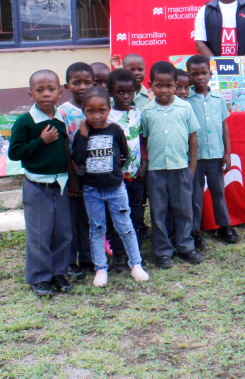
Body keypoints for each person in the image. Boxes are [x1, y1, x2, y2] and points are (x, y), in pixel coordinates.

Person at [72, 87, 149, 287]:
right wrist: (82, 134)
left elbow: (123, 154)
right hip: (92, 191)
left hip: (116, 188)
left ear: (108, 109)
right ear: (83, 110)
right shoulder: (83, 133)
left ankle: (136, 264)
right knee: (97, 228)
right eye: (91, 111)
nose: (96, 116)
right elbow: (78, 160)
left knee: (126, 226)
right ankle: (100, 269)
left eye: (102, 110)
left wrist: (114, 173)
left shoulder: (115, 129)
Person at [8, 70, 76, 297]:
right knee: (40, 234)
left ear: (60, 92)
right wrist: (41, 141)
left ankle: (58, 273)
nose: (46, 94)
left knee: (62, 232)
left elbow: (65, 149)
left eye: (51, 89)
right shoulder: (25, 122)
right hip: (37, 187)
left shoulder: (60, 118)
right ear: (31, 94)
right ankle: (40, 278)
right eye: (40, 90)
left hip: (61, 185)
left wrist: (72, 175)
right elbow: (15, 153)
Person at [142, 61, 201, 268]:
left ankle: (185, 246)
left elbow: (193, 137)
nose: (164, 90)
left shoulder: (185, 108)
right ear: (151, 85)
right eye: (159, 86)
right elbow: (146, 140)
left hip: (181, 168)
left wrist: (192, 166)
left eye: (169, 86)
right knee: (159, 212)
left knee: (184, 210)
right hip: (157, 171)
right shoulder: (147, 111)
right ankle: (163, 251)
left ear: (176, 85)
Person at [186, 55, 237, 246]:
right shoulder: (185, 99)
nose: (200, 77)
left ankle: (225, 227)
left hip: (216, 154)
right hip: (195, 157)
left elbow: (224, 126)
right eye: (195, 74)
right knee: (195, 194)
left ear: (210, 73)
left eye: (204, 73)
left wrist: (227, 152)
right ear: (189, 75)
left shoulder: (218, 98)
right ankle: (194, 231)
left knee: (218, 192)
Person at [105, 68, 146, 269]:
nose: (125, 96)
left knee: (136, 216)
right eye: (120, 92)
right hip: (115, 178)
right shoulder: (107, 115)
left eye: (129, 92)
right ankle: (119, 255)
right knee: (116, 216)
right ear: (111, 92)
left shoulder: (138, 113)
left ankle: (135, 254)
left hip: (136, 175)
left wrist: (144, 163)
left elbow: (143, 139)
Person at [59, 62, 95, 277]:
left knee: (89, 218)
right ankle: (70, 261)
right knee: (71, 219)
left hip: (94, 174)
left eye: (87, 82)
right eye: (76, 82)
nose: (82, 87)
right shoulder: (63, 112)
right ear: (67, 86)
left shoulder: (97, 106)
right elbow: (63, 147)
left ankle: (89, 258)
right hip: (72, 175)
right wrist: (72, 176)